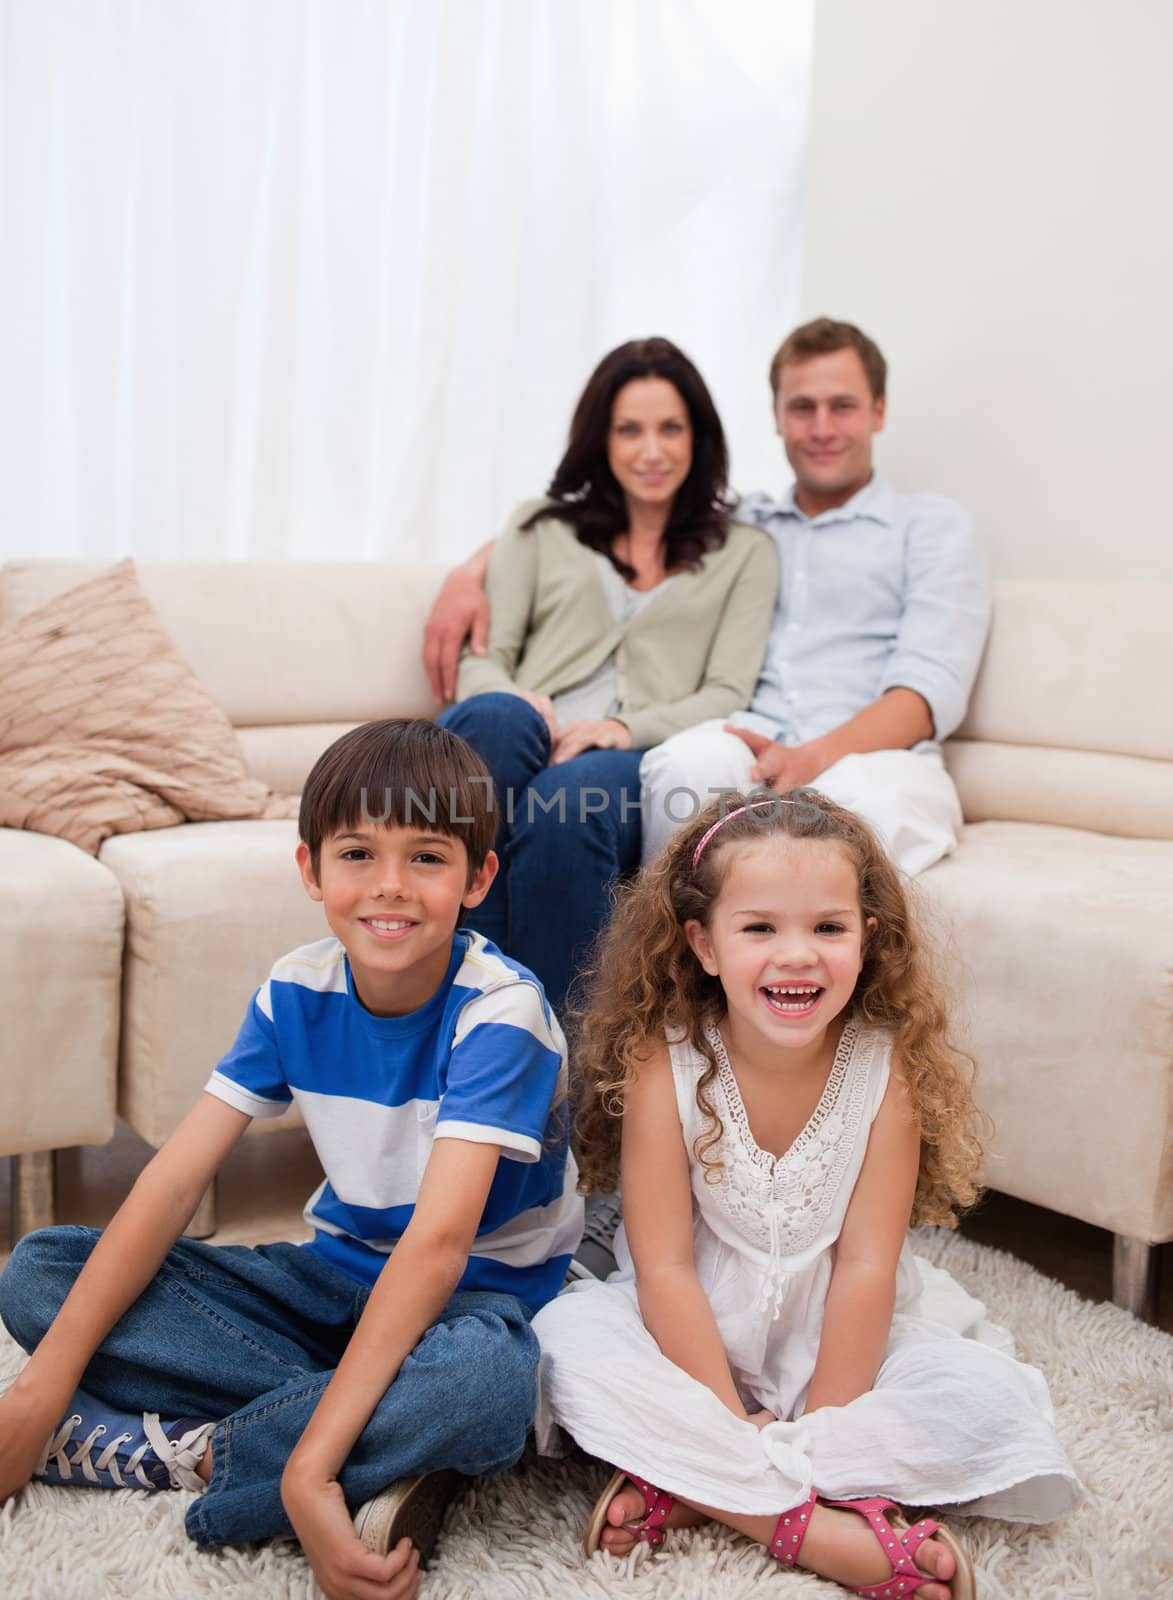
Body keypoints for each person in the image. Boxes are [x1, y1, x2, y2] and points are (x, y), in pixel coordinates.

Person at [0, 719, 583, 1600]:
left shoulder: (501, 1013)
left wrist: (308, 1472)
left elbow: (436, 1248)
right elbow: (170, 1183)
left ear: (477, 880)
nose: (389, 887)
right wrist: (39, 1394)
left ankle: (213, 1457)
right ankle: (378, 1440)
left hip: (475, 1300)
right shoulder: (293, 990)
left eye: (427, 858)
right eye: (357, 854)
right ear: (310, 870)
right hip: (332, 1279)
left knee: (486, 1392)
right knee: (41, 1271)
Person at [533, 790, 1078, 1596]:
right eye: (759, 928)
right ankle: (811, 1527)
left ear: (869, 940)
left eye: (827, 928)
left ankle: (699, 1487)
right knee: (561, 1344)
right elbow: (664, 1269)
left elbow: (864, 1266)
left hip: (838, 1346)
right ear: (703, 944)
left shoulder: (883, 1069)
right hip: (692, 1339)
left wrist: (824, 1424)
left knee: (986, 1402)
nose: (797, 955)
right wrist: (727, 1414)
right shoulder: (665, 1061)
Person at [424, 318, 992, 882]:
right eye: (802, 408)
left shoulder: (930, 528)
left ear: (879, 411)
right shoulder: (742, 525)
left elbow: (927, 692)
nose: (822, 427)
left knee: (839, 843)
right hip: (744, 739)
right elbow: (597, 525)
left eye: (841, 406)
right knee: (680, 765)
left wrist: (810, 759)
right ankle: (666, 959)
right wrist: (470, 573)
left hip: (868, 757)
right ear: (776, 416)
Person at [435, 336, 778, 1012]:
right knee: (494, 719)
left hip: (635, 751)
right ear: (601, 437)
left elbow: (725, 689)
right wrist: (520, 700)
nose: (650, 451)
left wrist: (623, 728)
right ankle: (466, 1005)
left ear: (697, 436)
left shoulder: (745, 551)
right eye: (629, 429)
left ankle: (548, 1056)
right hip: (525, 728)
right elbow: (485, 654)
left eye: (669, 428)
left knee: (567, 803)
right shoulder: (537, 528)